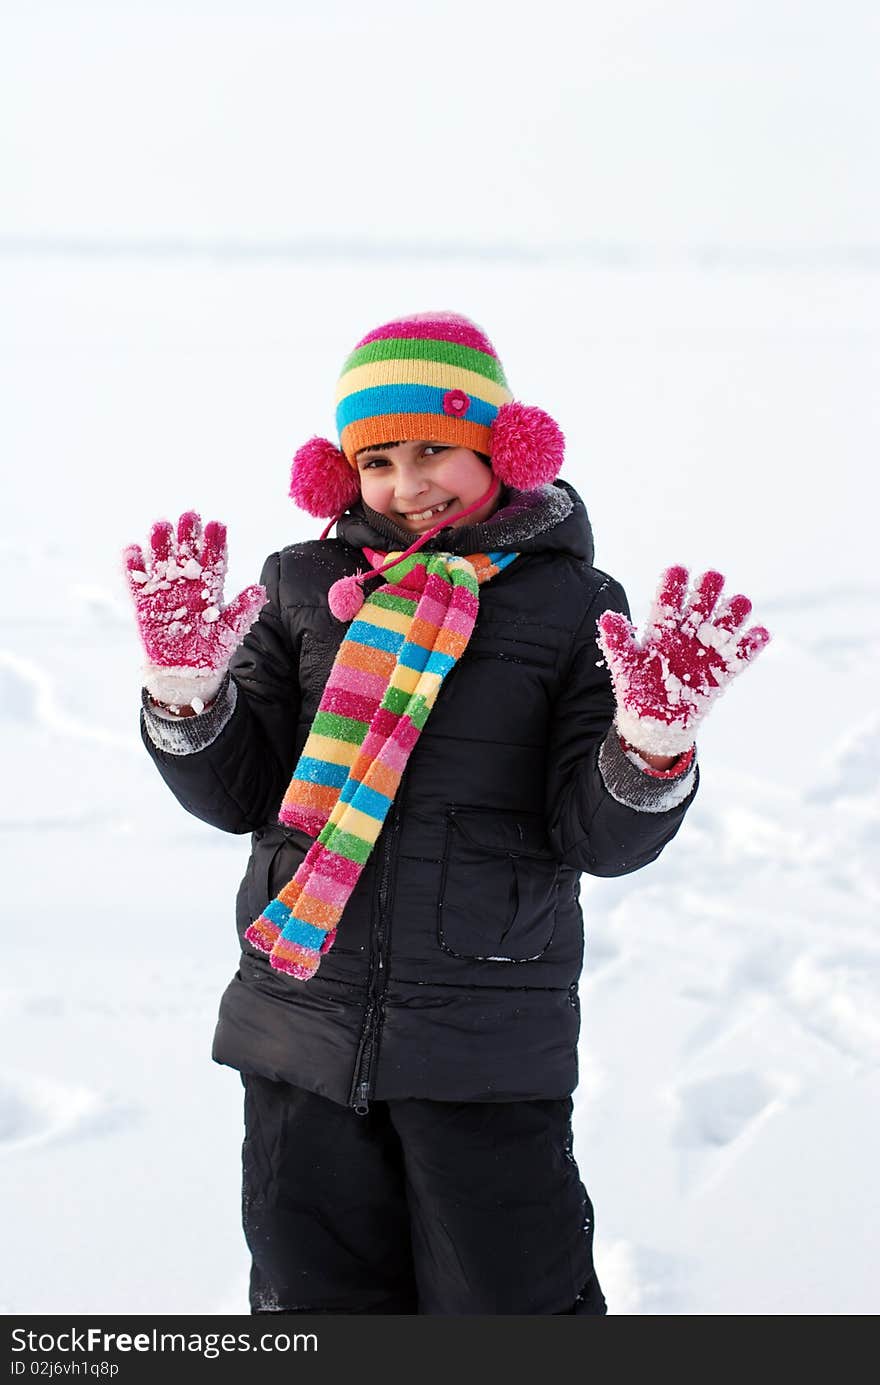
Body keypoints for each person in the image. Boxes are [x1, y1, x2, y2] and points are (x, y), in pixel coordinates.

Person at [124, 311, 769, 1316]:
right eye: (376, 458)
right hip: (299, 1023)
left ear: (503, 452)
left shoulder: (570, 604)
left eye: (436, 449)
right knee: (313, 1302)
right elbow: (239, 794)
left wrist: (647, 746)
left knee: (510, 1303)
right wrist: (186, 698)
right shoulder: (304, 585)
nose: (407, 482)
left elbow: (595, 838)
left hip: (485, 1041)